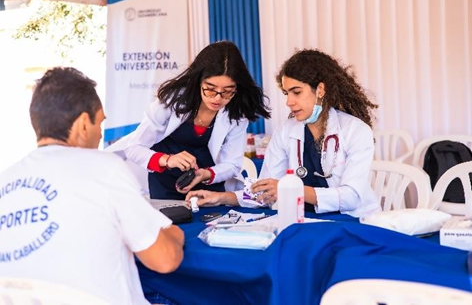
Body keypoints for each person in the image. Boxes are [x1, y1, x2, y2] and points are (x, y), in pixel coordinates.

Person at [0, 67, 184, 305]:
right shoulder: (105, 167)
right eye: (100, 123)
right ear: (84, 124)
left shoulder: (5, 180)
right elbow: (166, 259)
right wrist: (174, 233)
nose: (99, 134)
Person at [186, 49, 381, 217]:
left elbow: (352, 197)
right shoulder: (286, 131)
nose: (289, 102)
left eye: (297, 92)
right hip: (307, 222)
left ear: (320, 89)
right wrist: (221, 198)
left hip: (355, 221)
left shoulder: (355, 131)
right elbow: (265, 190)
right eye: (286, 93)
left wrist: (292, 190)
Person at [125, 40, 271, 200]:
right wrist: (167, 160)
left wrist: (206, 174)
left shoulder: (235, 114)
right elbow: (133, 148)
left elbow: (232, 164)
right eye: (210, 89)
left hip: (209, 187)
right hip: (165, 185)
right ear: (199, 80)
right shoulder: (172, 102)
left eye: (228, 91)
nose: (217, 98)